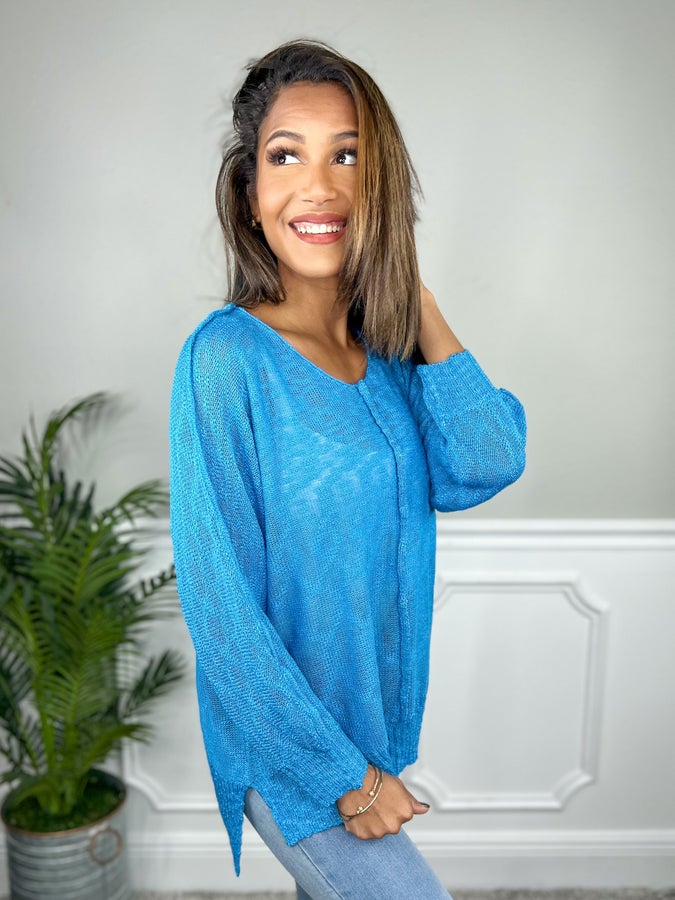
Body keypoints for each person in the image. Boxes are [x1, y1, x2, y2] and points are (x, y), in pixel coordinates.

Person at [169, 39, 526, 900]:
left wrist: (418, 302)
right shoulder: (224, 360)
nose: (317, 186)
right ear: (250, 194)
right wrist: (345, 779)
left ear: (379, 186)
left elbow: (484, 462)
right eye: (284, 156)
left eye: (347, 156)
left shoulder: (390, 351)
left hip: (372, 729)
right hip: (290, 752)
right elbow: (220, 610)